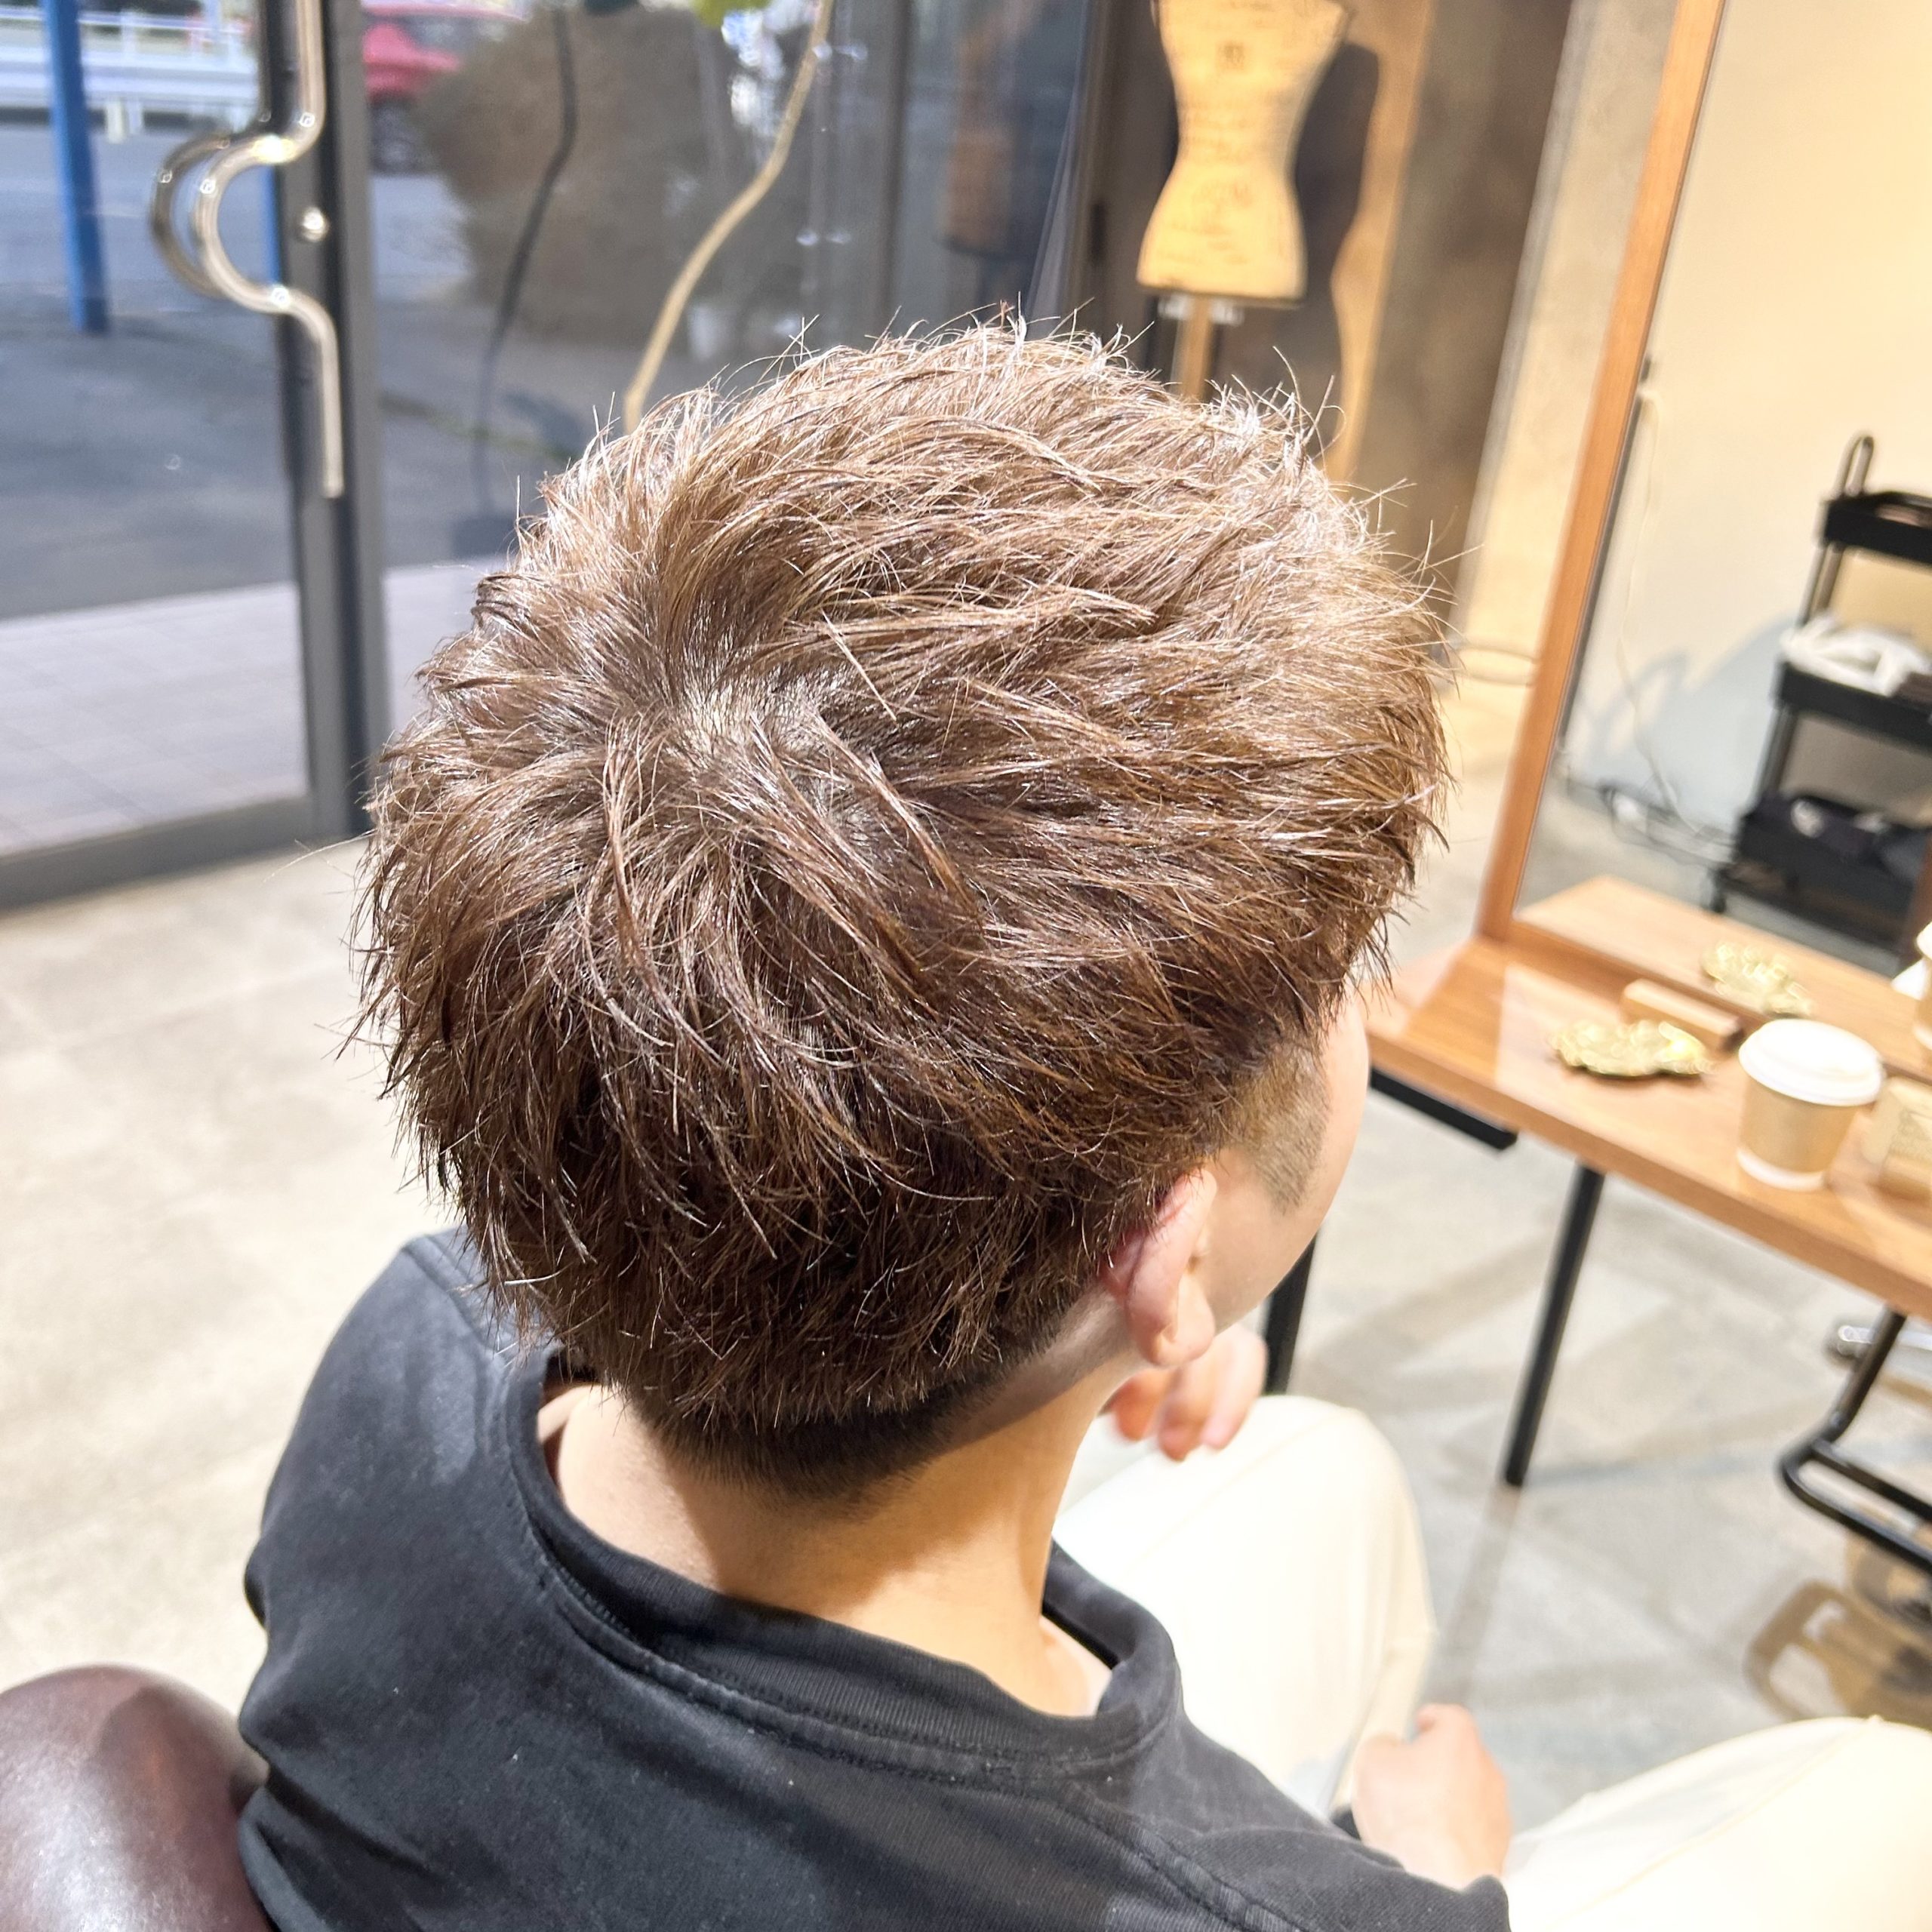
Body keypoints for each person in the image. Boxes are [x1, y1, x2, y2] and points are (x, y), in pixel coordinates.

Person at [237, 328, 1932, 1932]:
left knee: (1325, 1471)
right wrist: (1436, 1875)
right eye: (1343, 965)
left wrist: (1064, 1346)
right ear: (1166, 1247)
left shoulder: (407, 1348)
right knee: (1883, 1797)